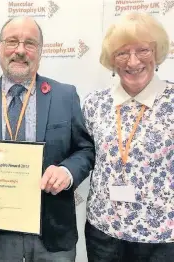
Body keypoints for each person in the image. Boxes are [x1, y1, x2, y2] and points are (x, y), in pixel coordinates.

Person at [0, 16, 95, 262]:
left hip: (52, 232)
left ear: (40, 52)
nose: (20, 50)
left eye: (29, 43)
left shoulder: (65, 96)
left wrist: (67, 171)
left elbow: (85, 150)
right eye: (12, 42)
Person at [83, 12, 174, 262]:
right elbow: (84, 155)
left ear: (157, 54)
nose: (132, 62)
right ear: (112, 61)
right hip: (104, 233)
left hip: (162, 238)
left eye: (142, 50)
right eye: (122, 53)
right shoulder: (95, 104)